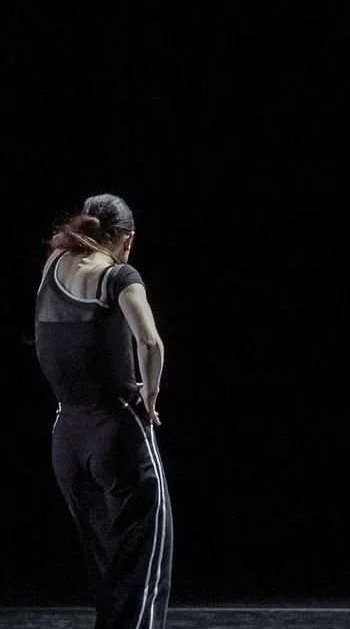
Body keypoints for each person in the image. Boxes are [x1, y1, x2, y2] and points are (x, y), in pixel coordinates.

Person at [34, 193, 172, 629]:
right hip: (116, 432)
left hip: (67, 437)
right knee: (142, 567)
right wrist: (150, 397)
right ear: (127, 239)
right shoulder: (119, 275)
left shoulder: (54, 265)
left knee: (107, 568)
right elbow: (150, 342)